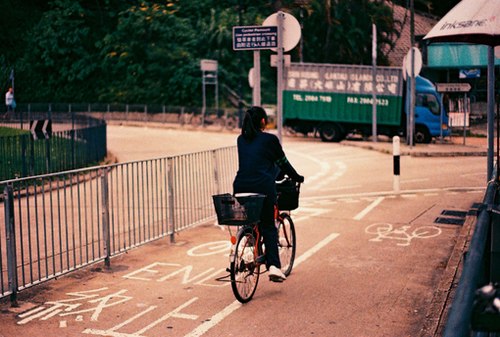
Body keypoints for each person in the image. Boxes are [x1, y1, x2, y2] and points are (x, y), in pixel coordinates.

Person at [233, 106, 304, 283]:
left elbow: (257, 163)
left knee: (253, 218)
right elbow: (283, 163)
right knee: (269, 227)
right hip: (263, 188)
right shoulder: (270, 140)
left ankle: (251, 238)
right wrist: (297, 177)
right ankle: (273, 266)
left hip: (240, 188)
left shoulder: (241, 139)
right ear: (263, 121)